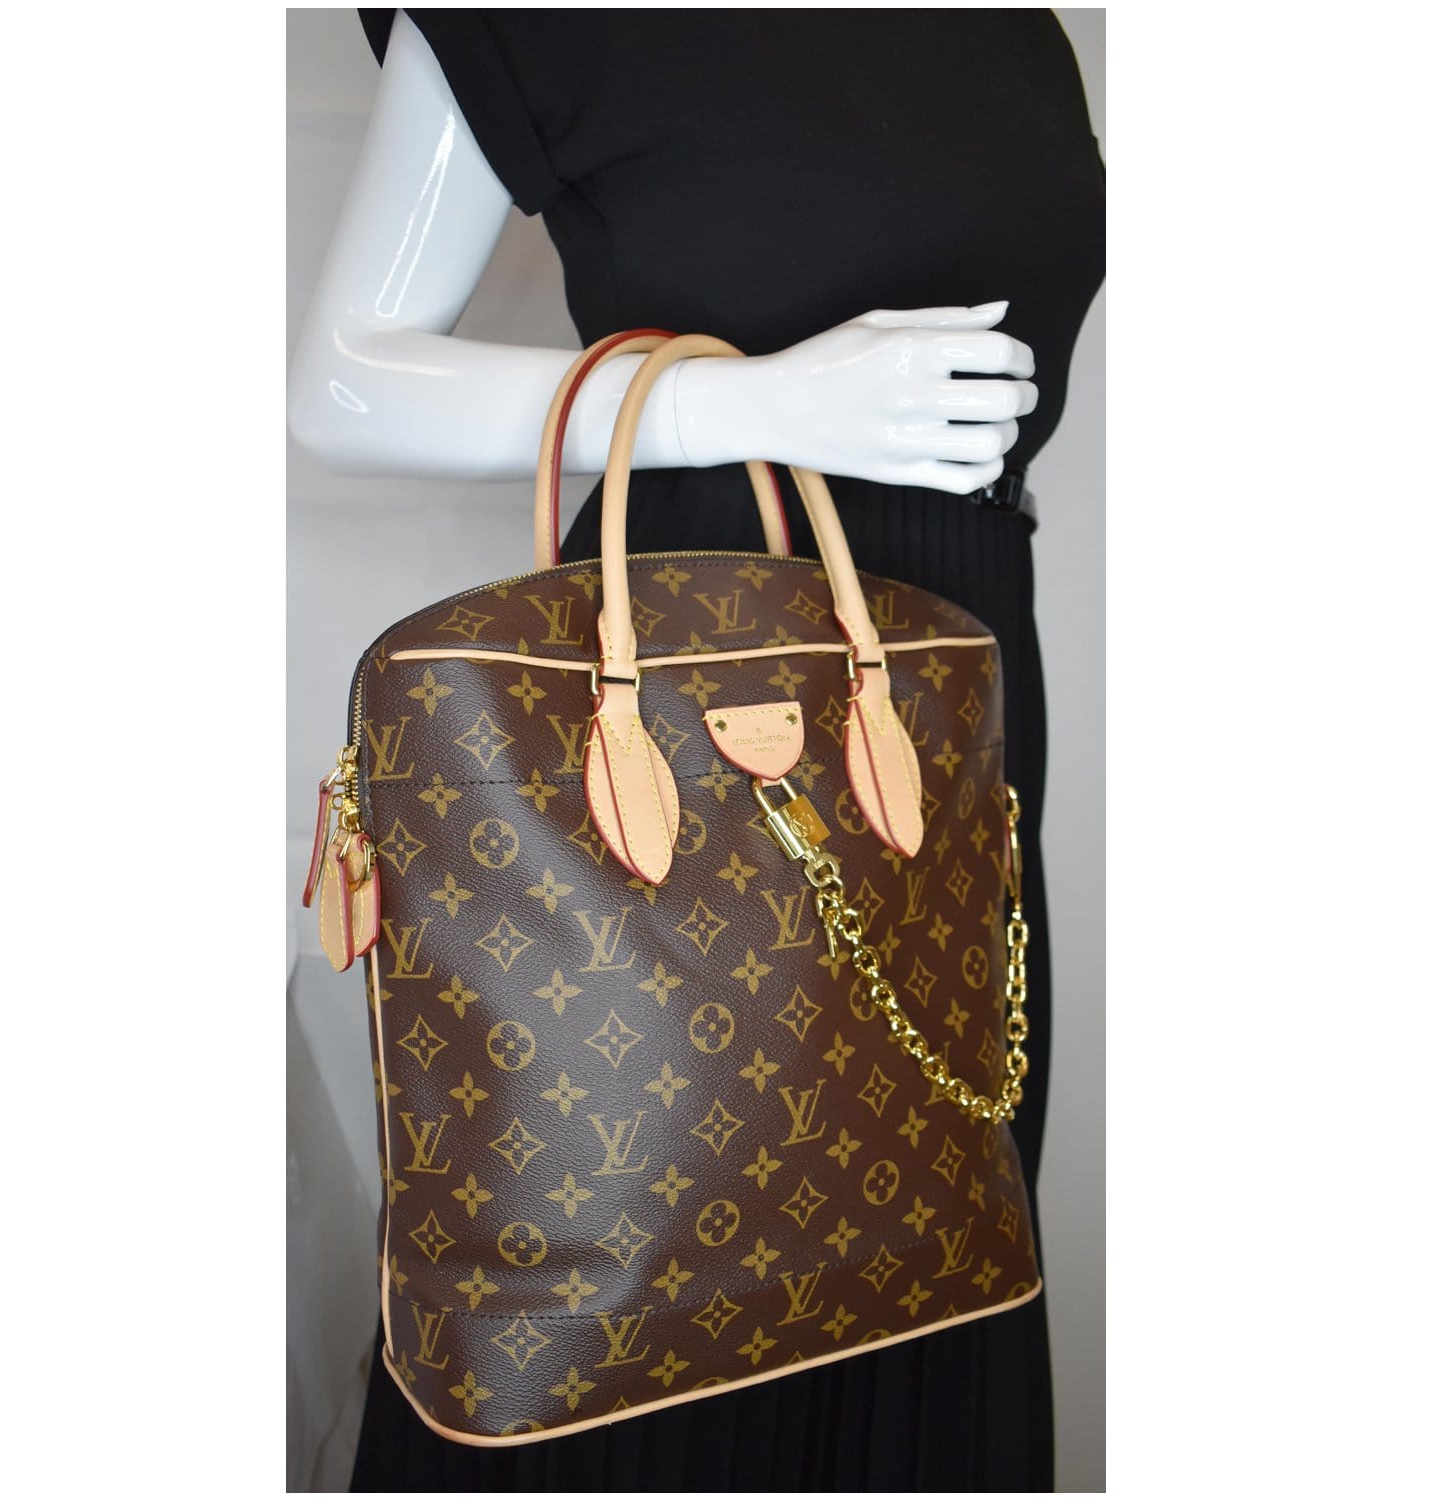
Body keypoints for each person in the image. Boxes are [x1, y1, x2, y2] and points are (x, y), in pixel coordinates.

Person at [288, 9, 1104, 1490]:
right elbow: (338, 383)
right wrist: (758, 402)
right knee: (640, 1206)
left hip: (947, 702)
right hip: (681, 673)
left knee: (928, 1221)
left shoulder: (1016, 27)